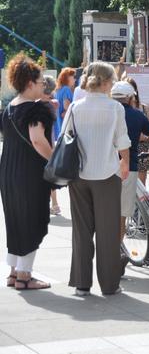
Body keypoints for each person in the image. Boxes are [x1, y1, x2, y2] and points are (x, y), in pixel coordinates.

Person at [66, 61, 131, 296]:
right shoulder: (115, 108)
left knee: (81, 231)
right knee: (108, 232)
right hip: (106, 173)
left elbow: (65, 137)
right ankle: (109, 284)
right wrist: (125, 163)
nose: (113, 84)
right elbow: (122, 141)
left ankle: (82, 284)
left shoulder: (76, 106)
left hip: (79, 174)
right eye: (112, 80)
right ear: (104, 81)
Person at [0, 53, 54, 290]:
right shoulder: (35, 109)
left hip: (8, 172)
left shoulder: (8, 108)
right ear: (30, 83)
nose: (43, 86)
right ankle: (24, 276)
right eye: (42, 82)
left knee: (15, 221)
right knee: (32, 220)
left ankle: (14, 272)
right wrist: (55, 160)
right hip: (29, 173)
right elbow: (38, 140)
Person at [110, 81, 149, 241]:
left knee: (106, 209)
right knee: (122, 213)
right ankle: (117, 249)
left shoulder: (106, 113)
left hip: (104, 167)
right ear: (130, 97)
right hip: (128, 167)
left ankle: (104, 245)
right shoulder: (137, 115)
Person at [125, 77, 149, 186]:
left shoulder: (144, 108)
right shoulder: (118, 108)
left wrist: (143, 136)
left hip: (141, 149)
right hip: (125, 149)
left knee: (141, 185)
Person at [41, 76, 62, 216]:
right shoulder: (53, 103)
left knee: (43, 175)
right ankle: (54, 204)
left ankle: (51, 204)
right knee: (49, 174)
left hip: (43, 143)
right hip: (51, 142)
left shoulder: (43, 105)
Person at [54, 67, 76, 138]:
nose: (75, 79)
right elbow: (67, 108)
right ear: (67, 78)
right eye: (73, 77)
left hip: (58, 123)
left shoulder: (58, 90)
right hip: (65, 124)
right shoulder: (66, 89)